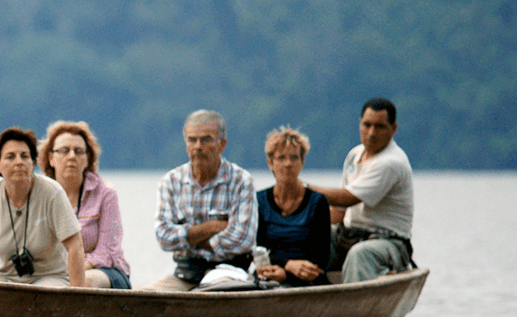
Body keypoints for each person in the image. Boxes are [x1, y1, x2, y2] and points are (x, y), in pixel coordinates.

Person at [139, 110, 257, 292]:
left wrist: (188, 239)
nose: (198, 146)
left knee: (212, 293)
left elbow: (242, 239)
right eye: (192, 140)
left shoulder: (241, 180)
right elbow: (163, 237)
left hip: (230, 272)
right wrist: (211, 228)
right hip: (185, 273)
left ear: (222, 144)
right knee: (144, 295)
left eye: (206, 139)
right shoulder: (171, 181)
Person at [309, 98, 415, 283]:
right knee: (308, 239)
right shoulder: (354, 155)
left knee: (360, 255)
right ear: (360, 124)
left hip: (389, 242)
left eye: (380, 127)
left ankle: (355, 307)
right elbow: (339, 210)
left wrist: (302, 189)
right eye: (367, 125)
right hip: (348, 235)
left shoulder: (390, 162)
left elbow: (346, 199)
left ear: (393, 129)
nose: (371, 133)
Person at [0, 127, 90, 287]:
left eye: (25, 156)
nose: (19, 162)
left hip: (51, 279)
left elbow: (75, 246)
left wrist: (78, 298)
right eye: (10, 157)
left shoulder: (52, 192)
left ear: (33, 163)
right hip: (6, 281)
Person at [39, 121, 132, 289]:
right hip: (54, 275)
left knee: (81, 281)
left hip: (105, 271)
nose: (72, 156)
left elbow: (106, 253)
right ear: (51, 158)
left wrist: (72, 269)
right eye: (65, 151)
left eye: (79, 151)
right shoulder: (40, 195)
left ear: (87, 158)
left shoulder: (105, 193)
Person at [255, 126, 330, 287]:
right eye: (281, 158)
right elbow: (256, 247)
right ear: (270, 163)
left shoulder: (317, 202)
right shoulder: (258, 201)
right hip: (270, 274)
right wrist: (286, 265)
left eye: (294, 158)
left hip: (307, 279)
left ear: (302, 162)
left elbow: (321, 257)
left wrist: (287, 274)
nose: (288, 164)